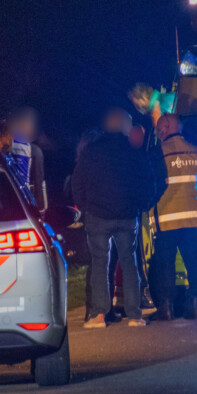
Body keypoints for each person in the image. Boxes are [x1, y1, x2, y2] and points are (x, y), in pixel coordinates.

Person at [72, 108, 157, 328]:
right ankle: (135, 315)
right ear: (123, 126)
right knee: (130, 263)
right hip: (128, 215)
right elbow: (148, 181)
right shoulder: (133, 150)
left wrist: (86, 207)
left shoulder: (91, 151)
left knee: (100, 263)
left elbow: (77, 182)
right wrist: (139, 206)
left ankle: (99, 314)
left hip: (98, 215)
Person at [148, 114, 197, 320]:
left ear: (165, 128)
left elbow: (152, 185)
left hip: (165, 219)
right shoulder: (196, 151)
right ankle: (194, 305)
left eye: (158, 129)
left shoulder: (158, 153)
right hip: (192, 218)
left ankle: (166, 308)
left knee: (165, 264)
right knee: (194, 262)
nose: (157, 133)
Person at [8, 107, 47, 211]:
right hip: (22, 202)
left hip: (9, 201)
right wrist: (41, 210)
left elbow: (39, 185)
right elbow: (39, 185)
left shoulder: (1, 147)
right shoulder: (34, 150)